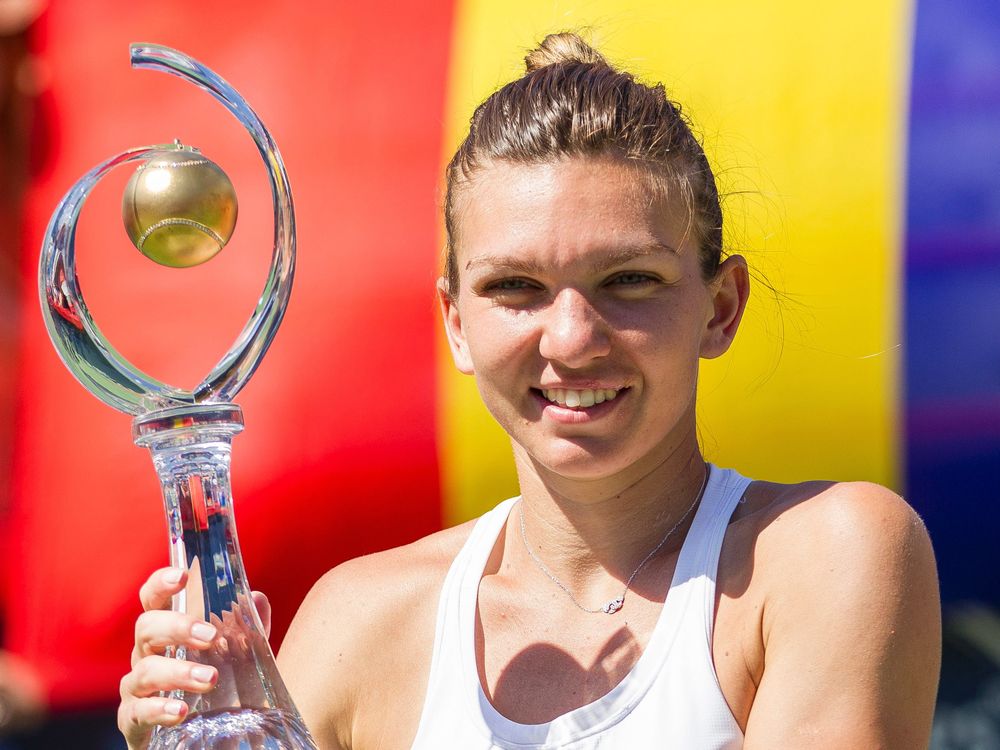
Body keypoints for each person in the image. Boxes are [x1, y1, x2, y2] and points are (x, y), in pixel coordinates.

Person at [117, 33, 941, 749]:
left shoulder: (829, 554)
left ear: (720, 308)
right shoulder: (357, 624)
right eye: (516, 286)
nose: (573, 338)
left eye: (629, 279)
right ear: (456, 324)